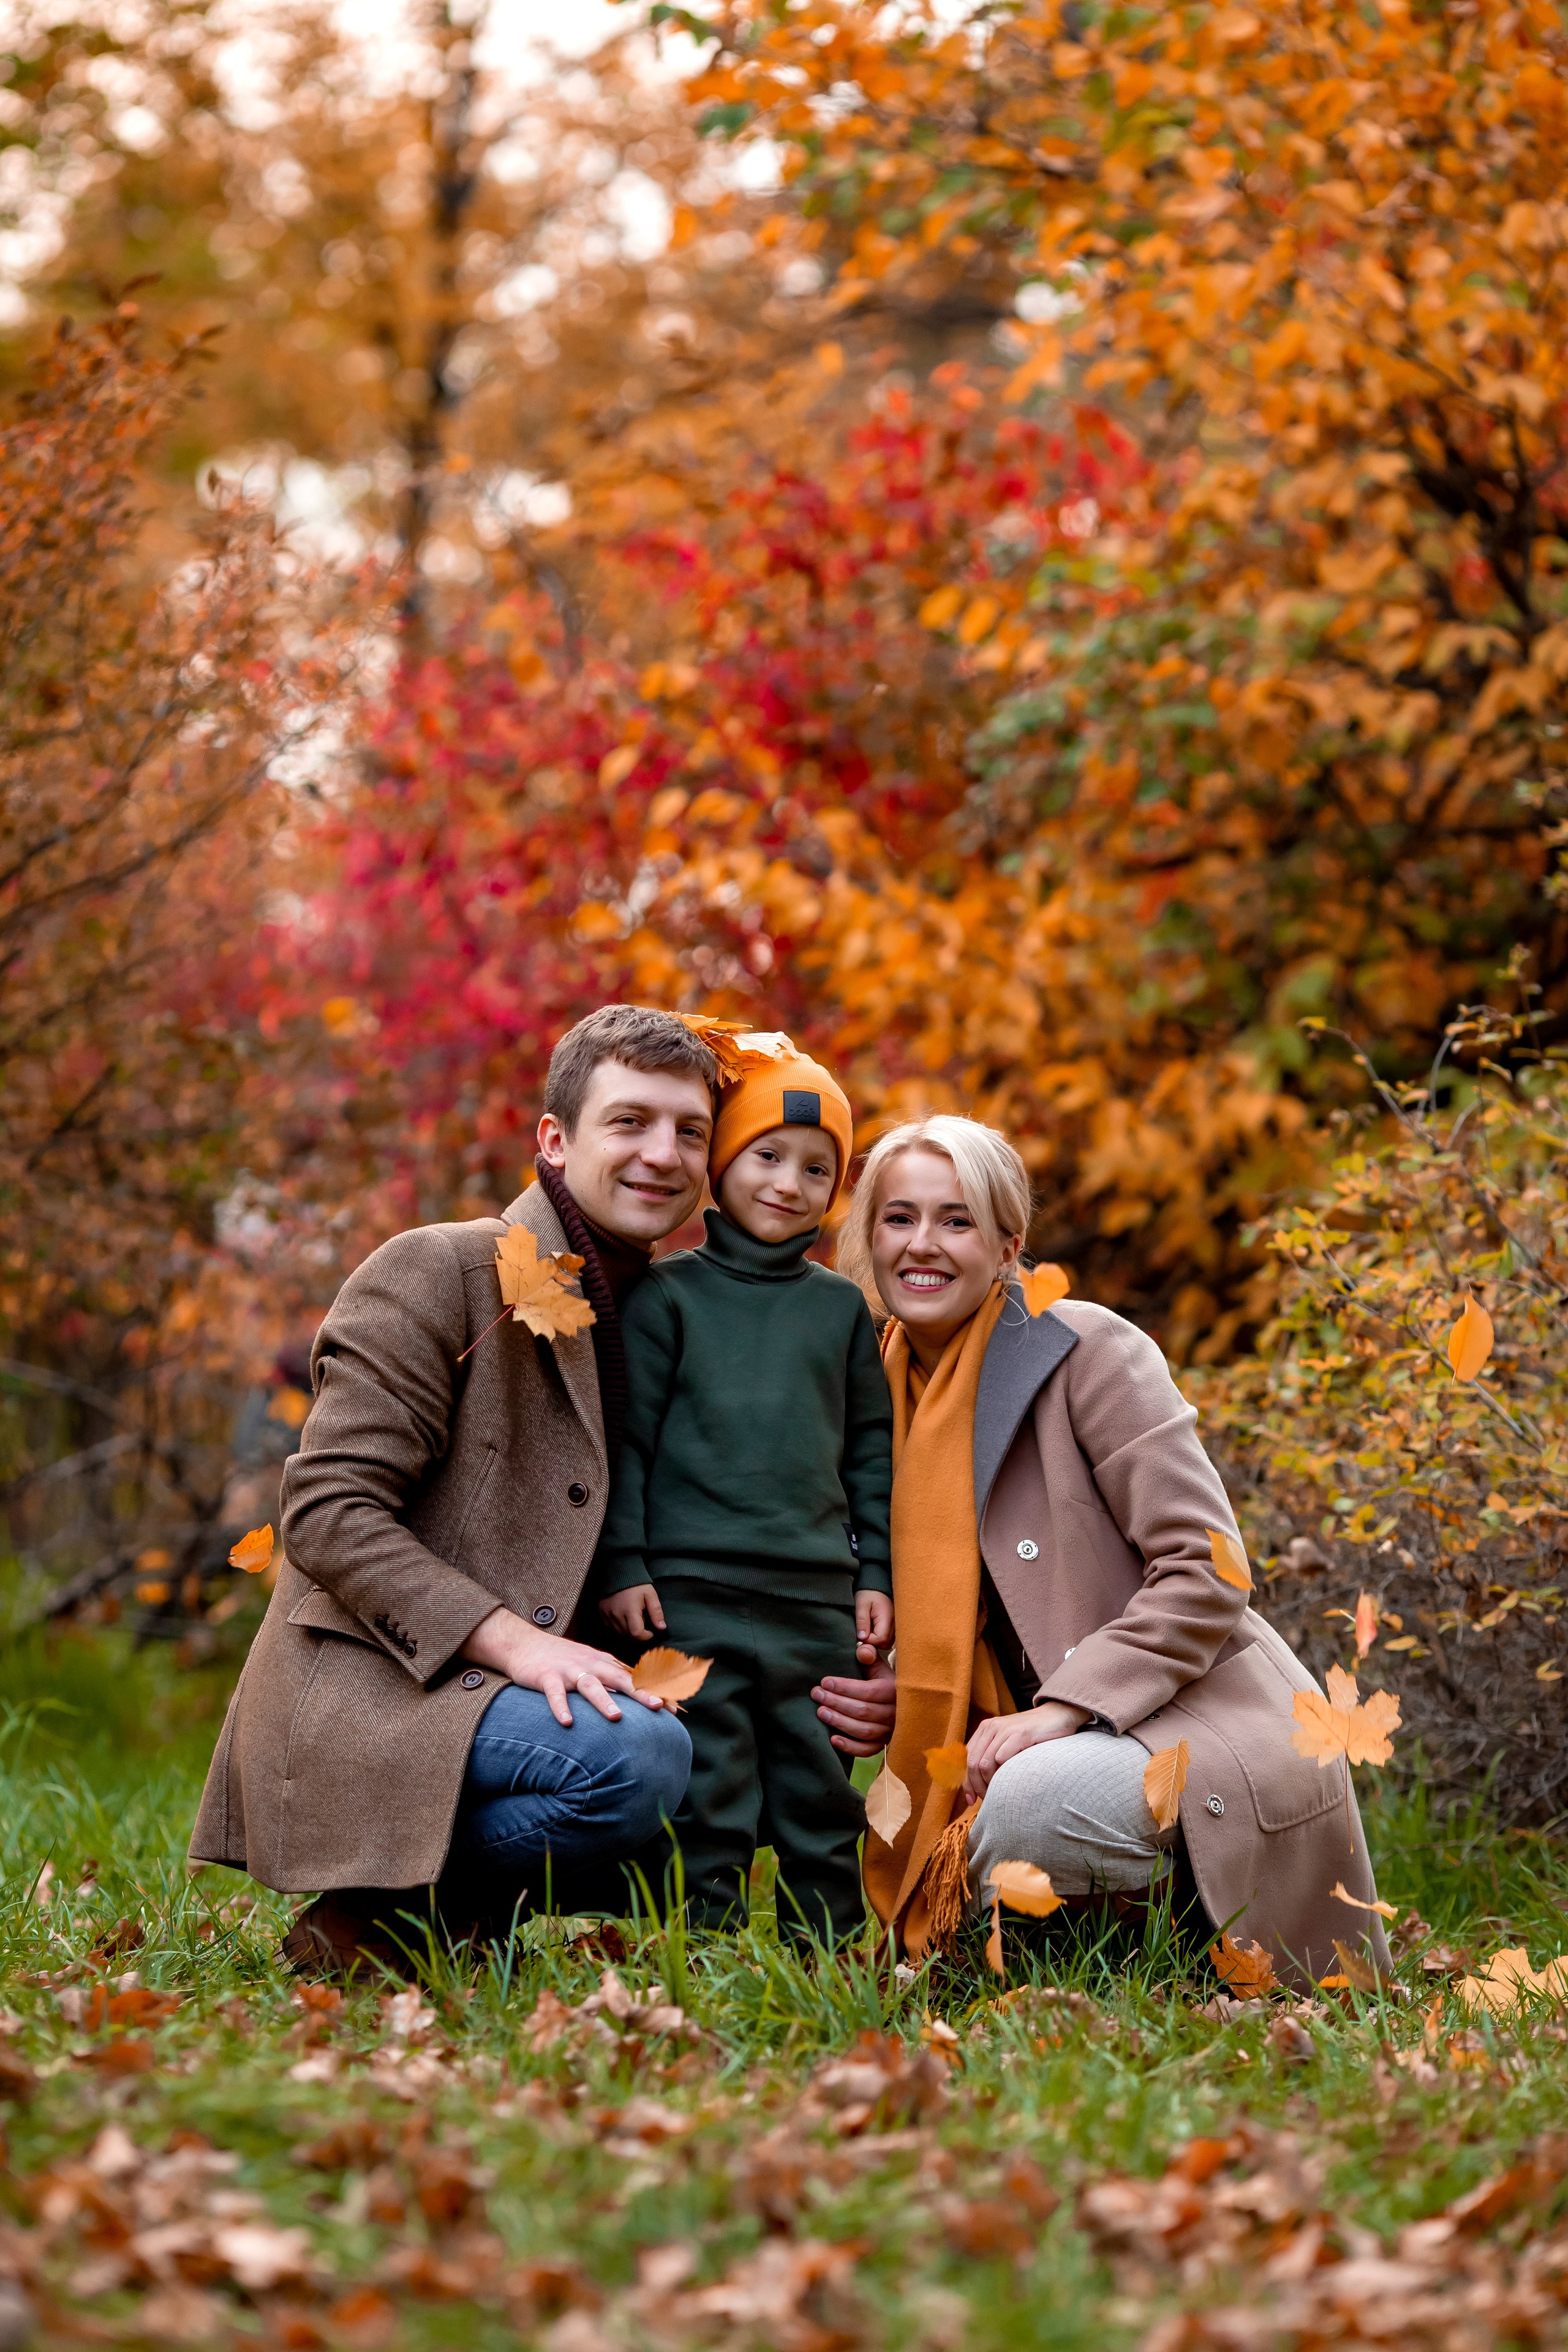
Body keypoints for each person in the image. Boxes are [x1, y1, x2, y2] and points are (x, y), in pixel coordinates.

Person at [187, 1005, 892, 1977]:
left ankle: (443, 1916)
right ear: (554, 1142)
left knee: (727, 1751)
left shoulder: (673, 1307)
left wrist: (836, 1660)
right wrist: (512, 1642)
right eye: (630, 1122)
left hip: (552, 1678)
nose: (664, 1154)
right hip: (391, 1690)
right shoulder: (440, 1271)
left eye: (691, 1131)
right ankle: (391, 1911)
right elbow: (328, 1515)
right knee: (641, 1760)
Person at [837, 1112, 1392, 1989]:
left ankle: (1172, 1929)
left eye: (957, 1220)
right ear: (870, 1236)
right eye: (899, 1218)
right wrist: (892, 1685)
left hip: (1187, 1718)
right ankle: (1071, 1942)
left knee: (1029, 1805)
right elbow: (964, 1604)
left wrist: (1066, 1709)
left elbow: (1209, 1570)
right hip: (1012, 1735)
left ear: (1008, 1242)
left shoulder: (1088, 1351)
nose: (923, 1245)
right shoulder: (872, 1386)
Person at [595, 1041, 893, 1948]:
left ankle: (831, 1955)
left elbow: (871, 1454)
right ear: (721, 1165)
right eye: (767, 1156)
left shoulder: (839, 1309)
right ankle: (707, 1954)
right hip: (692, 1594)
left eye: (817, 1170)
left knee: (817, 1787)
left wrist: (874, 1572)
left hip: (813, 1598)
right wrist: (624, 1562)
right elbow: (625, 1446)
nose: (789, 1185)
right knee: (708, 1789)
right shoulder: (667, 1298)